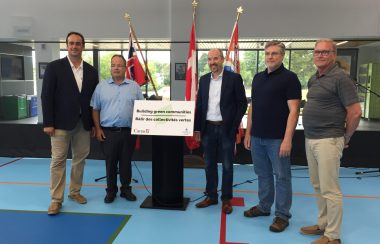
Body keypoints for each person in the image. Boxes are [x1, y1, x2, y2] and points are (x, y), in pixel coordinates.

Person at [300, 39, 362, 244]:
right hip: (311, 138)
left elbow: (355, 112)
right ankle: (323, 224)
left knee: (330, 189)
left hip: (329, 139)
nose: (320, 55)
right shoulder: (314, 78)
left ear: (334, 55)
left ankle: (333, 236)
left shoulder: (341, 79)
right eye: (317, 52)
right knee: (318, 185)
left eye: (325, 52)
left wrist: (346, 137)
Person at [243, 41, 301, 232]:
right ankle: (264, 207)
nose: (270, 57)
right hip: (257, 137)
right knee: (263, 174)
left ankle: (282, 215)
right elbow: (252, 107)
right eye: (267, 53)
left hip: (277, 139)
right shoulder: (258, 78)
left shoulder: (290, 79)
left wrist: (287, 139)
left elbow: (294, 111)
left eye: (274, 53)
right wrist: (248, 131)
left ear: (282, 55)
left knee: (282, 177)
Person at [41, 31, 99, 215]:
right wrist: (48, 122)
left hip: (83, 124)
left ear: (83, 46)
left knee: (79, 160)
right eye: (71, 43)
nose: (74, 46)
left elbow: (93, 100)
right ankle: (56, 199)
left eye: (78, 43)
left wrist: (92, 124)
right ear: (67, 45)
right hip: (59, 124)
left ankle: (75, 192)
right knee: (58, 160)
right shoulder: (54, 67)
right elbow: (47, 95)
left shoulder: (91, 71)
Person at [194, 48, 247, 214]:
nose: (212, 62)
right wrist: (197, 128)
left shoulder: (234, 78)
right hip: (208, 129)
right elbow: (200, 106)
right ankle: (211, 196)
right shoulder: (203, 80)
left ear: (222, 59)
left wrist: (233, 125)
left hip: (226, 129)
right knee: (209, 165)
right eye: (209, 59)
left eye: (215, 58)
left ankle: (226, 199)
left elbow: (242, 104)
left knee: (227, 165)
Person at [91, 55, 144, 203]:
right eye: (113, 65)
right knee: (111, 163)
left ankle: (126, 190)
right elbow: (95, 109)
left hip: (129, 132)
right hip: (108, 132)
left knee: (126, 162)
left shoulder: (134, 87)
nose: (116, 67)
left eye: (119, 65)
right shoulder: (101, 87)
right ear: (110, 67)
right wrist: (98, 128)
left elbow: (142, 108)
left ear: (125, 67)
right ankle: (111, 191)